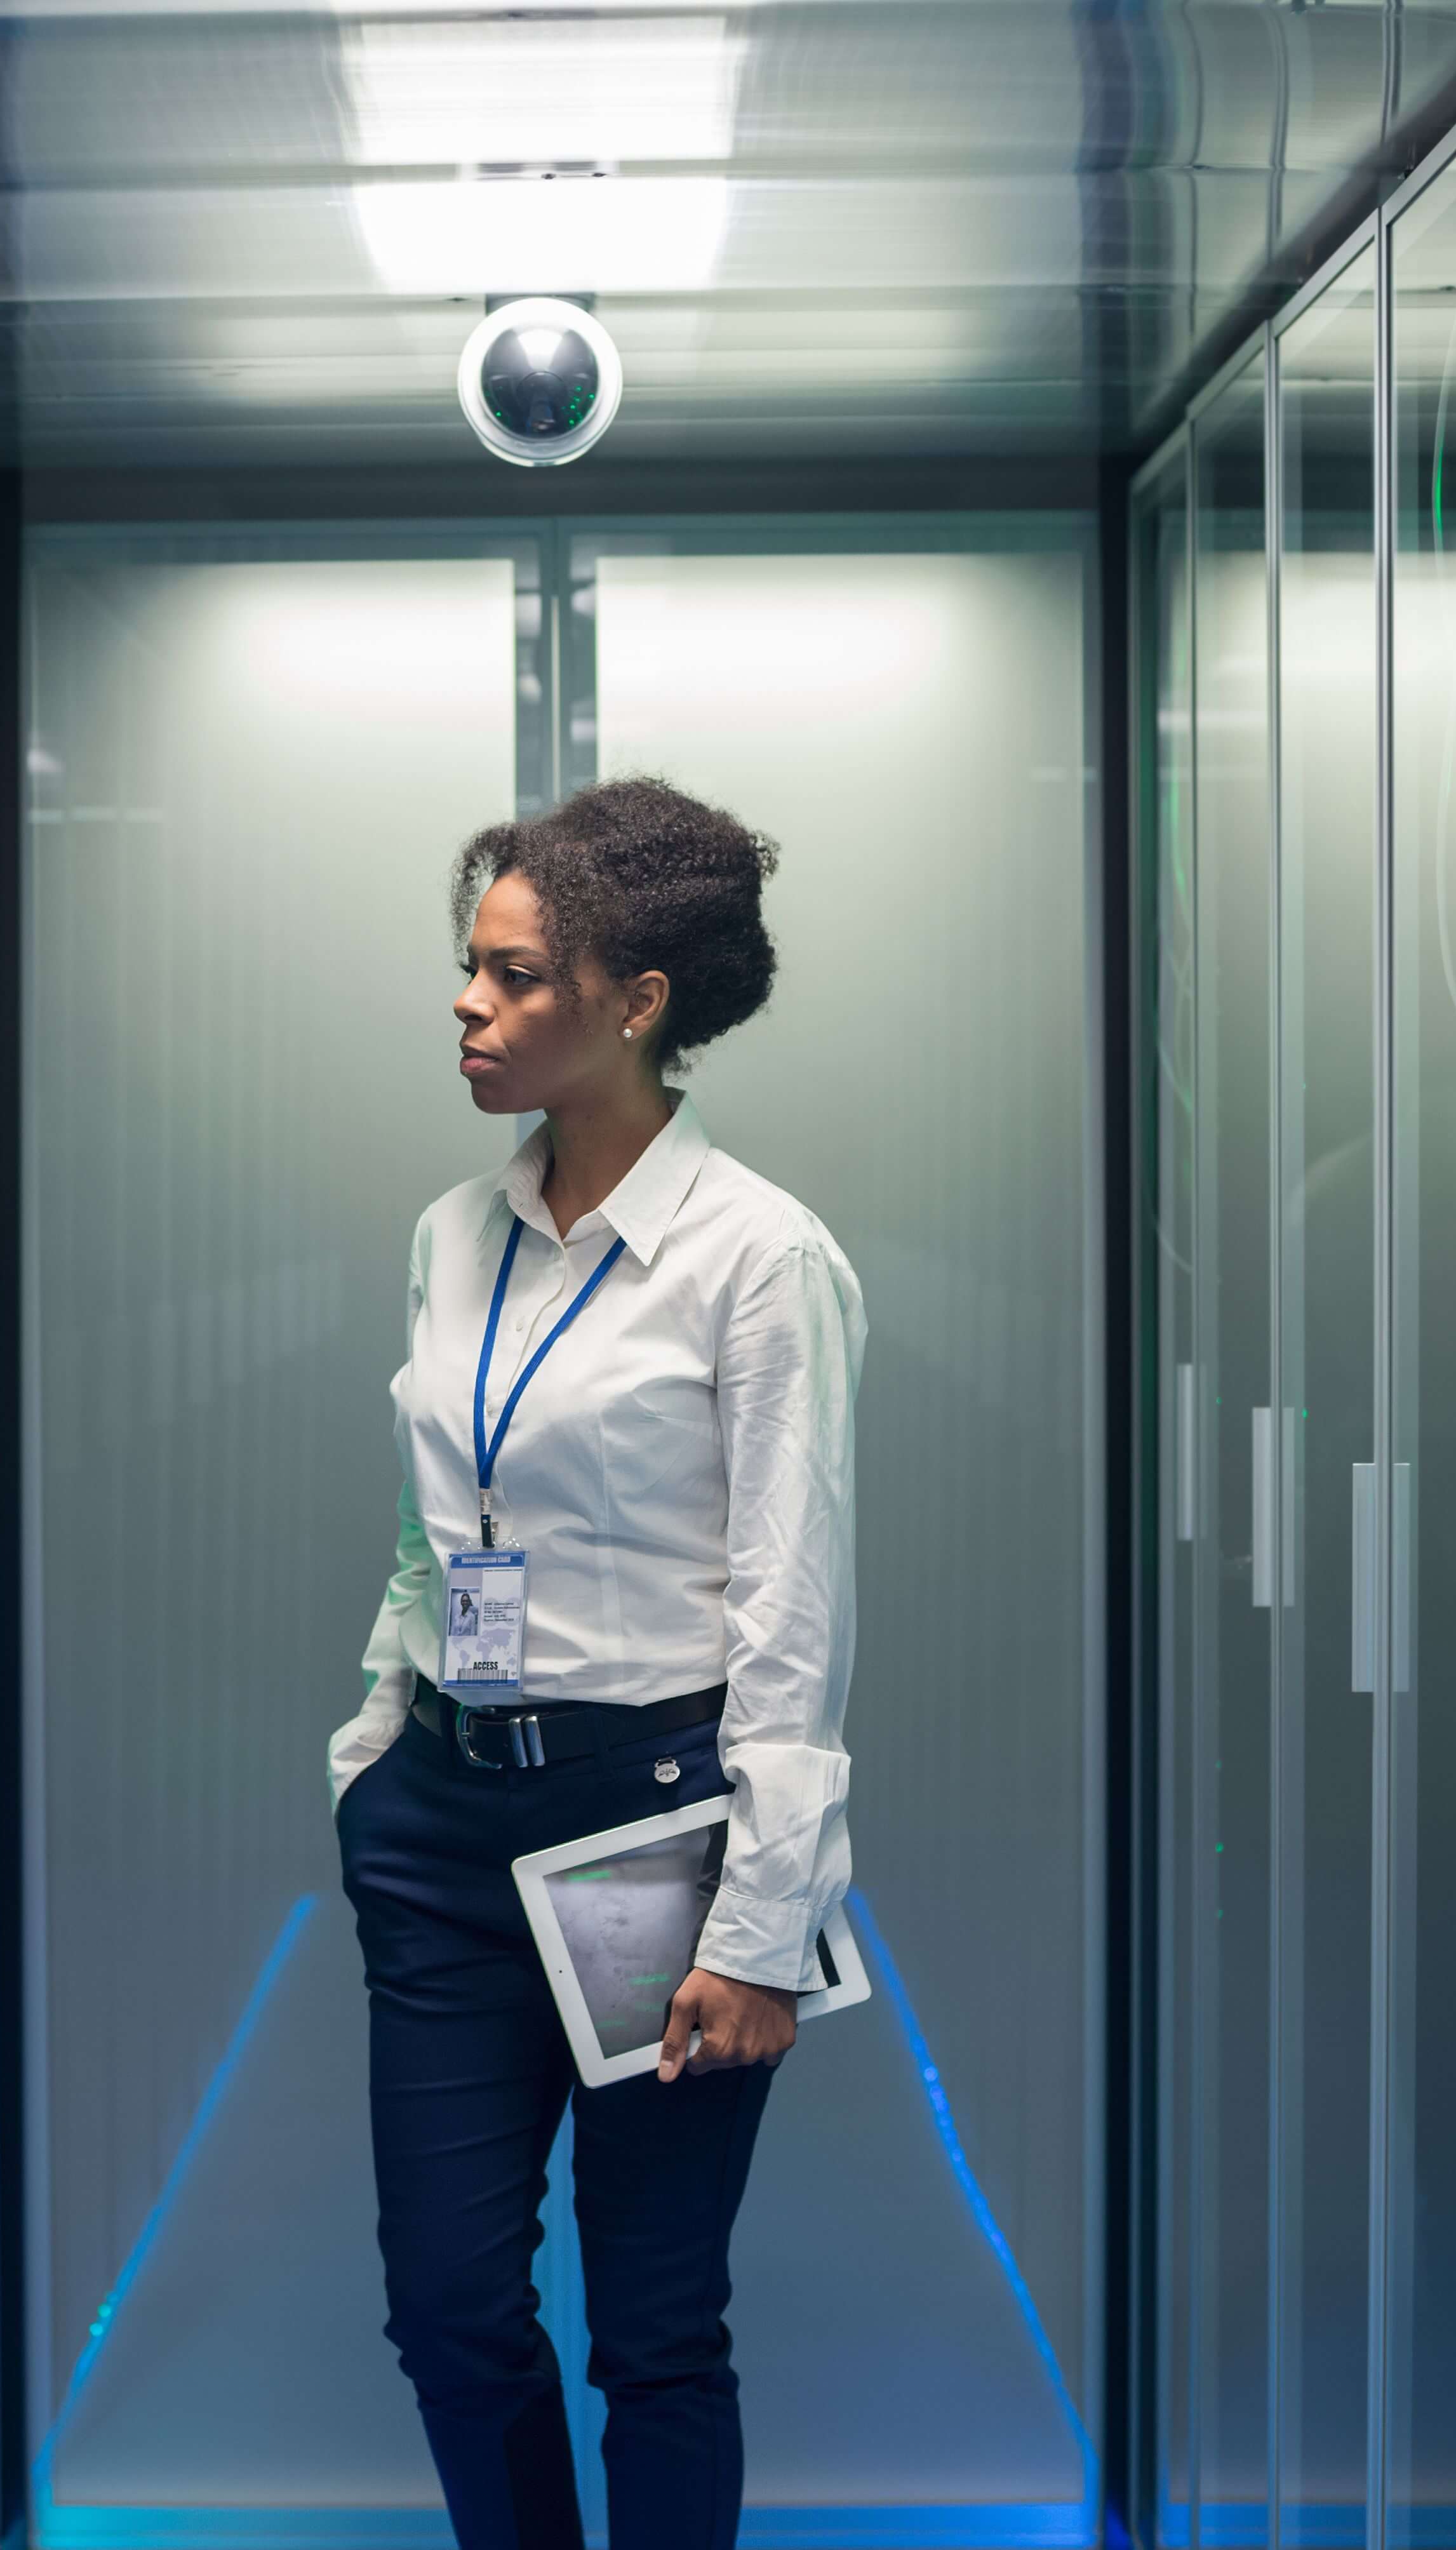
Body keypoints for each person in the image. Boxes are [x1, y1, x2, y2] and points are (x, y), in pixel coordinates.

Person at [328, 778, 865, 2550]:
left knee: (652, 2331)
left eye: (511, 974)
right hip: (442, 1831)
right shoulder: (450, 1232)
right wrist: (380, 1732)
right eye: (465, 969)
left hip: (653, 1830)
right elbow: (442, 1520)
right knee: (451, 2307)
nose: (466, 1007)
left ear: (636, 1001)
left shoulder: (760, 1259)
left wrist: (759, 1924)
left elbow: (795, 1614)